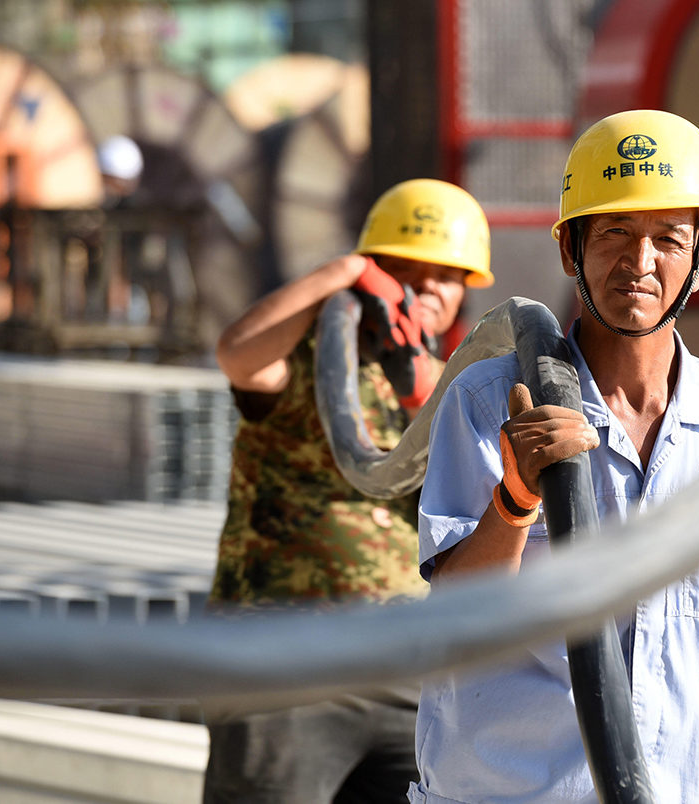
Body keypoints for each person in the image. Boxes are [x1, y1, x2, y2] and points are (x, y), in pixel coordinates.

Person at [411, 109, 699, 804]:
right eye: (615, 234)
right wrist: (514, 499)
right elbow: (455, 618)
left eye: (668, 240)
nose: (640, 264)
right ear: (569, 250)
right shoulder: (491, 404)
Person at [205, 178, 493, 803]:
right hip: (283, 667)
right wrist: (340, 273)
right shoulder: (307, 354)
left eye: (445, 276)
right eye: (404, 269)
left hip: (404, 671)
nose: (424, 287)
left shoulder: (452, 386)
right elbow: (237, 356)